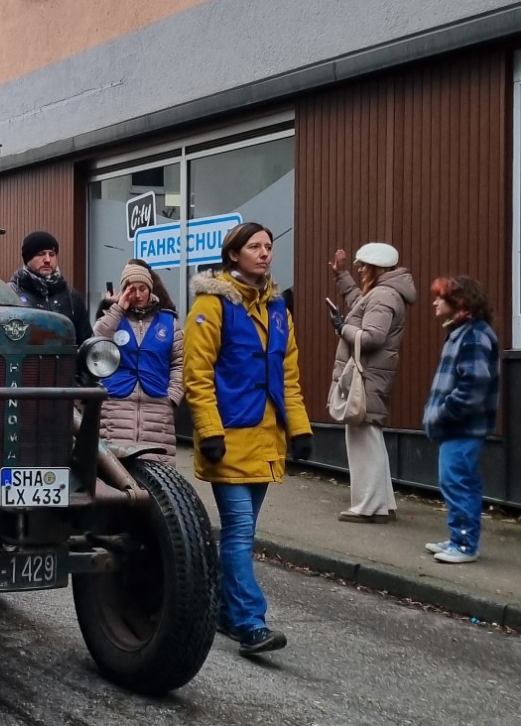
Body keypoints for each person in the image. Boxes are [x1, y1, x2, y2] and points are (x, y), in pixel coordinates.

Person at [184, 220, 313, 656]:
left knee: (243, 532)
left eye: (268, 246)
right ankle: (251, 622)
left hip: (266, 439)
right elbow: (197, 374)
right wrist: (209, 430)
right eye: (254, 246)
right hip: (228, 439)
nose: (264, 253)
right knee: (239, 530)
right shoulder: (212, 304)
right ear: (233, 255)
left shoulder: (277, 309)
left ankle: (225, 611)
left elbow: (288, 377)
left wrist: (300, 428)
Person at [326, 243, 416, 522]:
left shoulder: (383, 295)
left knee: (363, 441)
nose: (361, 270)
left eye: (364, 266)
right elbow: (361, 303)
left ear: (377, 268)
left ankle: (368, 507)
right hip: (373, 375)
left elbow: (372, 337)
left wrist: (342, 327)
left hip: (366, 377)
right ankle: (383, 504)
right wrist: (341, 276)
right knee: (370, 439)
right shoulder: (384, 293)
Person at [422, 276, 500, 565]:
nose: (435, 302)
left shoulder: (473, 337)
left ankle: (465, 544)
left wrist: (443, 413)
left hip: (462, 427)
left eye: (440, 298)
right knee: (458, 481)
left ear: (459, 302)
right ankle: (459, 537)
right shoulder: (463, 332)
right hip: (458, 426)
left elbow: (472, 388)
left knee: (457, 481)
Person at [95, 261, 182, 458]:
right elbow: (96, 343)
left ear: (150, 289)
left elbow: (179, 363)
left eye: (142, 289)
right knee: (117, 469)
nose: (137, 295)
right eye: (131, 289)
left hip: (158, 407)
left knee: (157, 468)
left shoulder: (169, 323)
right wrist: (118, 308)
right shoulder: (112, 319)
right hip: (116, 406)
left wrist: (173, 396)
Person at [10, 231, 92, 344]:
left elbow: (86, 343)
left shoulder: (72, 297)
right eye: (41, 254)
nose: (47, 260)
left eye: (52, 254)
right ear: (28, 258)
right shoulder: (10, 294)